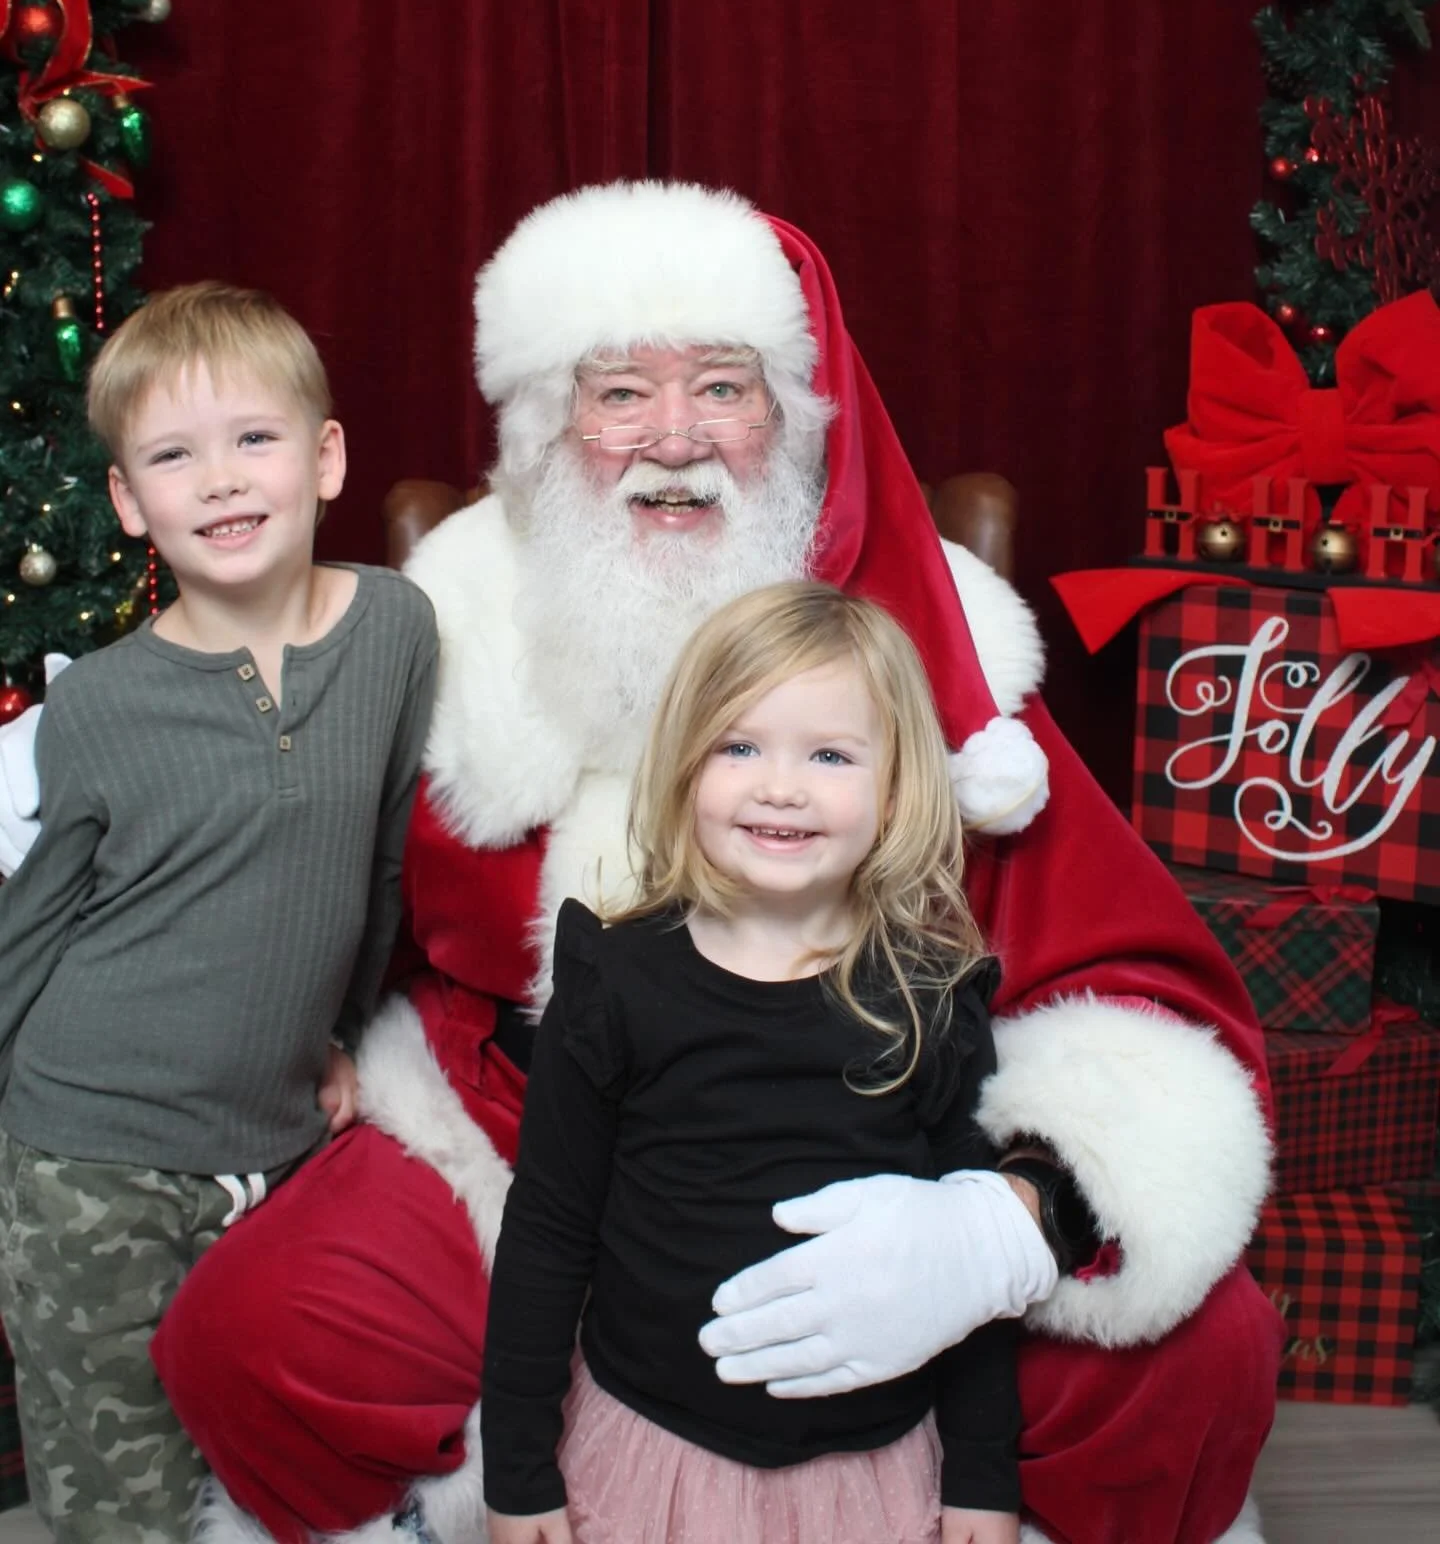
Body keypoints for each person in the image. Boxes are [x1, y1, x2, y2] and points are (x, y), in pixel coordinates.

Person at [7, 184, 1278, 1544]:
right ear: (550, 420)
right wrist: (281, 1040)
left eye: (723, 387)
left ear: (793, 414)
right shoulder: (440, 629)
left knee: (1201, 1358)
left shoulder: (929, 660)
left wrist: (1007, 1221)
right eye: (621, 393)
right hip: (508, 1139)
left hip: (861, 1151)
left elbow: (1141, 995)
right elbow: (289, 857)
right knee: (255, 1334)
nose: (675, 442)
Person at [0, 284, 438, 1544]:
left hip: (282, 1143)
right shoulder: (101, 708)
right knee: (121, 1491)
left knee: (271, 1473)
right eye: (173, 456)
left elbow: (383, 864)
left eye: (254, 438)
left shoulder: (395, 632)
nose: (222, 481)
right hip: (90, 1153)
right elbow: (40, 920)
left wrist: (346, 1032)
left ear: (326, 455)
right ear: (132, 503)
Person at [484, 580, 1022, 1544]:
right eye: (740, 747)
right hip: (654, 1447)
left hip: (869, 1465)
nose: (781, 785)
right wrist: (517, 1473)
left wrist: (982, 1476)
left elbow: (969, 1260)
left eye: (828, 754)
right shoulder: (615, 982)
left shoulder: (931, 999)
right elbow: (548, 1231)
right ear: (686, 768)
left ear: (895, 788)